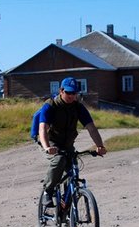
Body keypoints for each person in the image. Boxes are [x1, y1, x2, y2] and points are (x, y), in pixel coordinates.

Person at [37, 77, 107, 206]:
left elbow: (91, 128)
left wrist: (100, 145)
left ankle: (67, 209)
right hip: (50, 141)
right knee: (59, 160)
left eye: (74, 93)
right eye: (68, 92)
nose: (71, 96)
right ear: (61, 91)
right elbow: (42, 129)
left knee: (72, 168)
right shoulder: (50, 105)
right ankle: (48, 190)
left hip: (67, 144)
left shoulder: (78, 107)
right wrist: (47, 147)